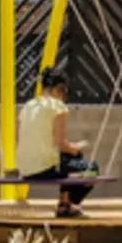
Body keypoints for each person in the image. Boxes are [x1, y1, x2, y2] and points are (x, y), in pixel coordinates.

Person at [15, 72, 99, 217]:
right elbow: (60, 143)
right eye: (64, 92)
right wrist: (75, 149)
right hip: (45, 168)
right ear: (57, 90)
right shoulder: (57, 106)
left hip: (25, 167)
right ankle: (68, 203)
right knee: (92, 168)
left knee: (66, 161)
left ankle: (64, 202)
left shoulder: (29, 106)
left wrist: (69, 149)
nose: (64, 97)